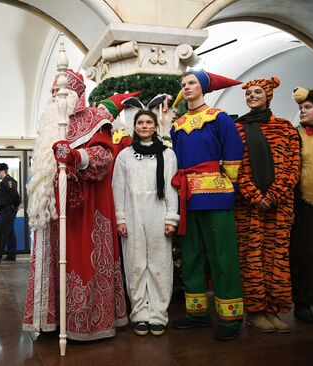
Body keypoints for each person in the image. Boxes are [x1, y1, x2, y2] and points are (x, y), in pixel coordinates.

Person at [23, 69, 128, 341]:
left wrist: (75, 156)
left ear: (77, 94)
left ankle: (85, 324)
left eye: (64, 93)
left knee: (82, 259)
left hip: (84, 208)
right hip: (52, 211)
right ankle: (51, 320)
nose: (58, 99)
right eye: (54, 94)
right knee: (51, 260)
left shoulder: (96, 118)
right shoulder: (48, 128)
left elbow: (104, 158)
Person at [170, 70, 244, 341]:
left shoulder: (219, 117)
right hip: (187, 196)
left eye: (192, 83)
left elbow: (234, 152)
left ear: (203, 87)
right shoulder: (176, 126)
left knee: (223, 255)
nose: (187, 87)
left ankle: (231, 317)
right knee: (190, 255)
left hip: (216, 194)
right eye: (183, 84)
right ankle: (197, 313)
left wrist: (229, 185)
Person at [233, 77, 301, 333]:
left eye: (258, 91)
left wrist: (273, 195)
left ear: (268, 95)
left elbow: (294, 166)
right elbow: (233, 167)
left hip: (279, 205)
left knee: (277, 258)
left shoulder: (286, 128)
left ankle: (274, 309)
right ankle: (255, 312)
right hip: (248, 207)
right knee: (251, 259)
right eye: (248, 93)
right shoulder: (237, 128)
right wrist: (253, 195)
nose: (252, 96)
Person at [112, 110, 179, 336]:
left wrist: (171, 217)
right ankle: (139, 313)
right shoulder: (125, 155)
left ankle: (159, 314)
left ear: (155, 126)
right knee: (136, 265)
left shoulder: (168, 155)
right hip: (132, 214)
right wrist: (120, 217)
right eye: (140, 122)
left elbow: (171, 188)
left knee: (160, 265)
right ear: (135, 126)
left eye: (148, 122)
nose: (144, 126)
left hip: (159, 214)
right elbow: (118, 188)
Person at [290, 84, 313, 323]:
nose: (302, 111)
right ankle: (303, 303)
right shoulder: (296, 135)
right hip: (306, 205)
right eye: (301, 107)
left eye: (308, 107)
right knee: (306, 254)